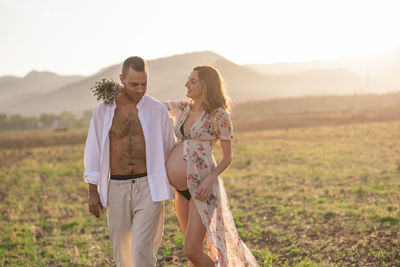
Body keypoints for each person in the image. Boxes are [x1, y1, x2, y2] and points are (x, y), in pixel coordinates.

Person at [83, 56, 175, 267]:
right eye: (134, 84)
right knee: (122, 253)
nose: (140, 89)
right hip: (117, 186)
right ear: (122, 79)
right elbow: (93, 149)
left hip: (148, 186)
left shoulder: (157, 110)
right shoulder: (104, 110)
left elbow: (170, 149)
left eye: (144, 84)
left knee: (142, 249)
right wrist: (92, 192)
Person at [164, 66, 258, 266]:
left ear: (205, 85)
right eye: (188, 80)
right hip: (181, 190)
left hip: (202, 189)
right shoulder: (183, 107)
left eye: (192, 81)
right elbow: (156, 106)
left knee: (191, 251)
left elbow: (227, 157)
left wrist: (209, 179)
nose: (186, 84)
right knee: (194, 252)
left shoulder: (219, 115)